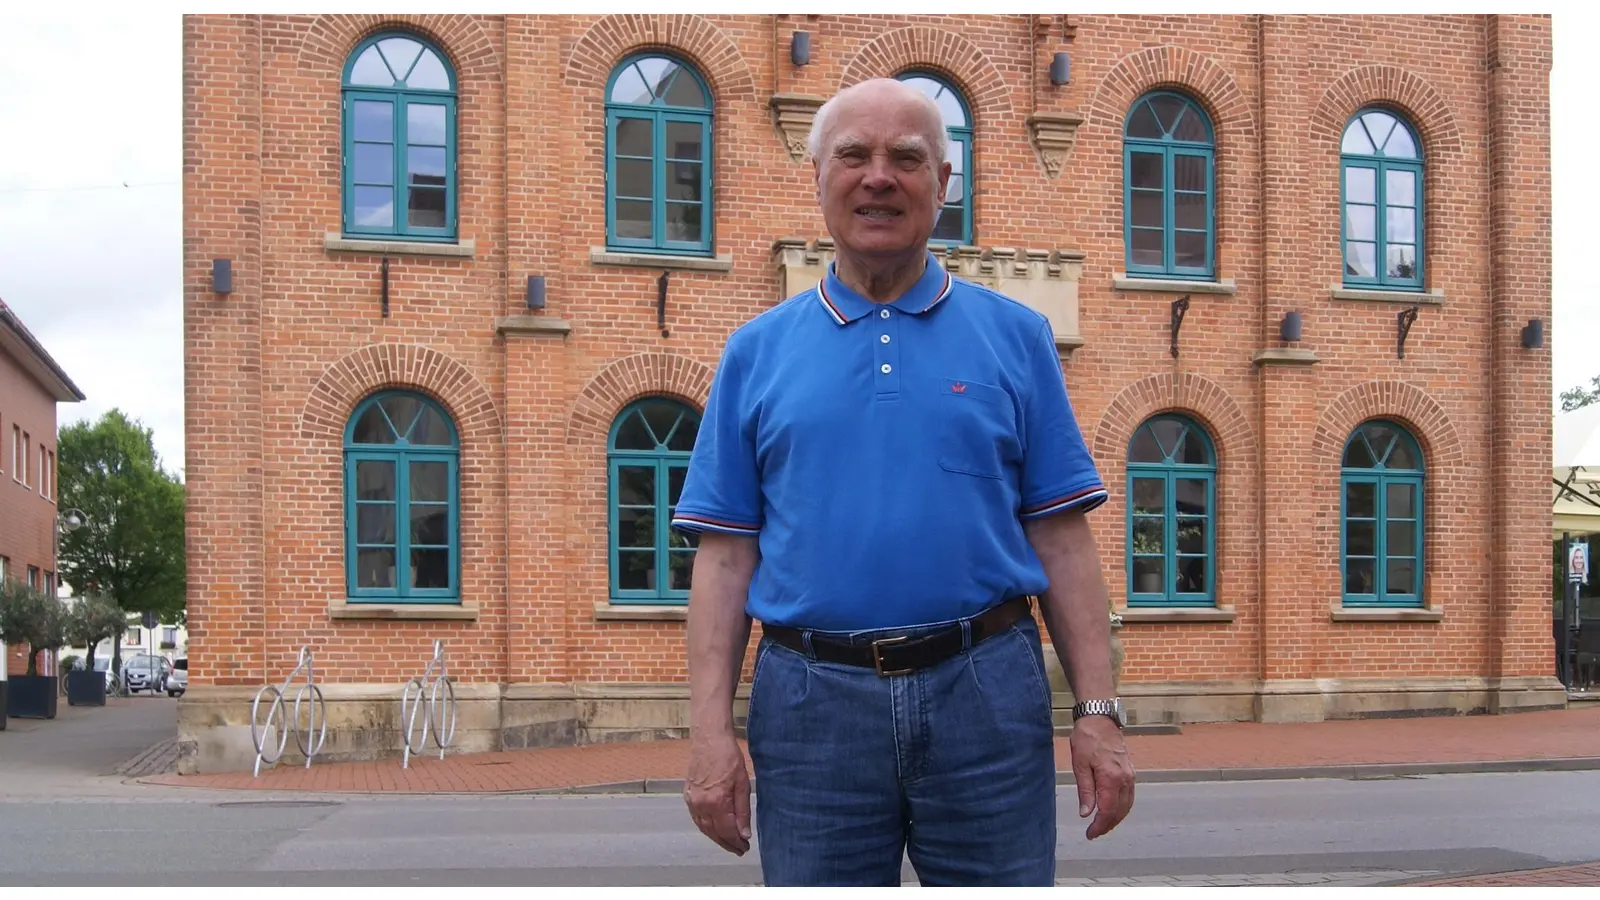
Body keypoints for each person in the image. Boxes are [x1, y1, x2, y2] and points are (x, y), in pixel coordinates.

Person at [671, 76, 1135, 887]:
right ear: (818, 177)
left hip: (985, 697)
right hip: (812, 709)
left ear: (944, 183)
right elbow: (724, 560)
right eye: (854, 155)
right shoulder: (755, 353)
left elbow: (1062, 541)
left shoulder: (1017, 337)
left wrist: (1097, 712)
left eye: (907, 158)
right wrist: (710, 733)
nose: (878, 177)